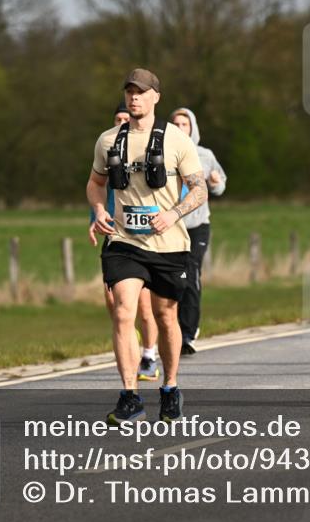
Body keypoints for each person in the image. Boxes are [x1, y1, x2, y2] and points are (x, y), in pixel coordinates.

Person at [88, 68, 206, 424]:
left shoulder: (177, 141)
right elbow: (95, 182)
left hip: (168, 243)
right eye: (129, 92)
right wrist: (98, 208)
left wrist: (174, 213)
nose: (134, 98)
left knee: (166, 316)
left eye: (141, 92)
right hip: (124, 240)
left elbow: (198, 189)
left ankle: (170, 388)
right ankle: (129, 396)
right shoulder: (108, 140)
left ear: (156, 96)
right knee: (124, 312)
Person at [88, 103, 161, 381]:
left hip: (145, 239)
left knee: (145, 307)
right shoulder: (108, 148)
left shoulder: (144, 149)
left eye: (125, 118)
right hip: (115, 236)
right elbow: (96, 188)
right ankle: (130, 366)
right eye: (117, 118)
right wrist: (95, 218)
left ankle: (149, 355)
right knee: (117, 307)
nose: (122, 122)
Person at [170, 107, 227, 354]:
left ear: (192, 128)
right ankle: (170, 329)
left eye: (184, 124)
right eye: (176, 124)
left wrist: (216, 183)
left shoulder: (205, 155)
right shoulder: (166, 153)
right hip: (171, 226)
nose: (180, 128)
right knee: (173, 280)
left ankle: (187, 334)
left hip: (197, 226)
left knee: (190, 275)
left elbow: (220, 186)